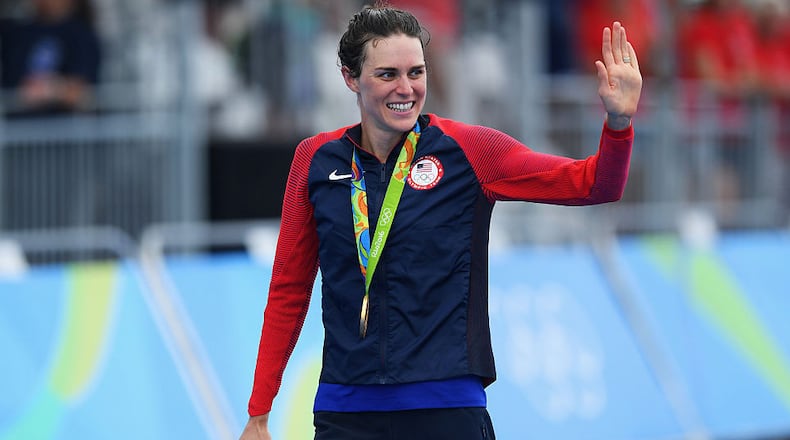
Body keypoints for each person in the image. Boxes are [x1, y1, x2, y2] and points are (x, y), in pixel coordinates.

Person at [240, 2, 642, 439]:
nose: (406, 88)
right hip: (346, 412)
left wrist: (618, 122)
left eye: (416, 72)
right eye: (387, 74)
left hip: (447, 410)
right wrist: (260, 412)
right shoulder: (315, 160)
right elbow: (288, 290)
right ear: (350, 78)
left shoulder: (472, 152)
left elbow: (594, 185)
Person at [0, 0, 101, 116]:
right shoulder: (15, 32)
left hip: (61, 126)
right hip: (17, 126)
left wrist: (49, 90)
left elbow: (81, 93)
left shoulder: (82, 35)